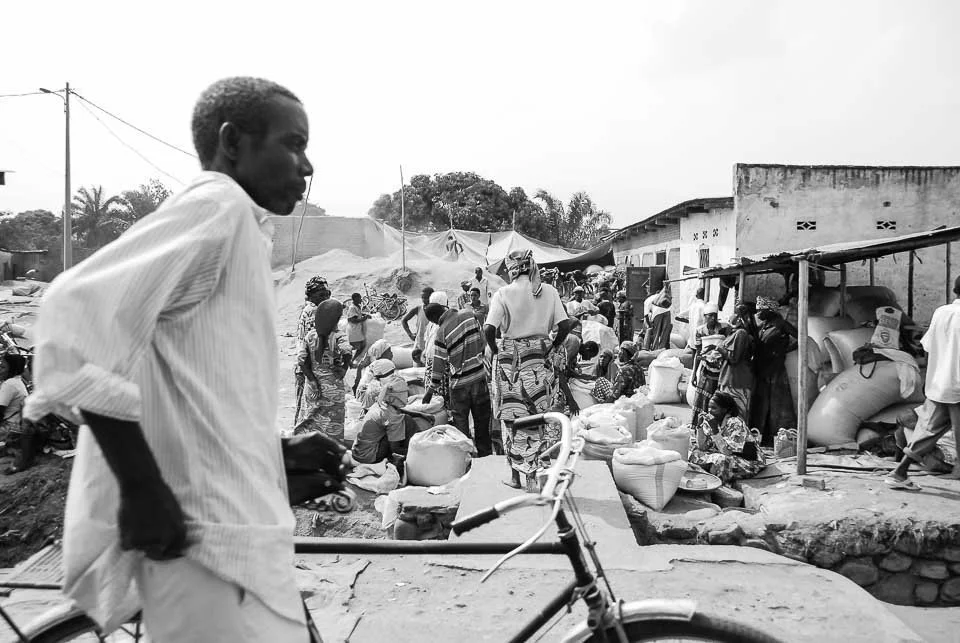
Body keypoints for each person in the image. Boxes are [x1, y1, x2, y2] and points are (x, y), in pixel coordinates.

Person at [22, 77, 346, 641]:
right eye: (293, 144)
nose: (308, 164)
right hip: (203, 541)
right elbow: (72, 314)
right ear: (233, 141)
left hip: (237, 532)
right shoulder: (215, 208)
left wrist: (270, 452)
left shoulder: (244, 230)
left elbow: (193, 389)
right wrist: (142, 489)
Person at [484, 249, 576, 490]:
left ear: (511, 270)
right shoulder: (549, 291)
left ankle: (515, 477)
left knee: (512, 418)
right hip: (539, 359)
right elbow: (565, 325)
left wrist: (495, 350)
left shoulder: (502, 293)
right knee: (538, 418)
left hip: (510, 362)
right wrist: (553, 345)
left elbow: (488, 330)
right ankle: (534, 474)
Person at [886, 276, 960, 489]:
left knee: (928, 429)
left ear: (954, 290)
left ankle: (899, 471)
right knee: (934, 430)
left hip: (940, 384)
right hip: (956, 385)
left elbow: (927, 348)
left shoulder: (941, 312)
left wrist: (929, 378)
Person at [422, 302, 492, 456]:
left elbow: (438, 364)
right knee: (482, 420)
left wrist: (430, 390)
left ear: (434, 319)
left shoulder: (441, 333)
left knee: (461, 424)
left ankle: (466, 457)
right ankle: (485, 455)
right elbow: (482, 341)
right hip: (479, 377)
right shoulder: (469, 315)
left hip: (459, 384)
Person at [295, 299, 353, 442]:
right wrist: (344, 368)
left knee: (311, 419)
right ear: (337, 319)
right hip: (333, 387)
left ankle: (305, 447)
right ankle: (330, 452)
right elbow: (347, 351)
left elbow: (301, 361)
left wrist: (313, 381)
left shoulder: (310, 336)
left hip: (312, 387)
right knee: (333, 423)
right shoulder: (338, 335)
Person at [750, 295, 798, 445]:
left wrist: (783, 350)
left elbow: (799, 337)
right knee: (762, 403)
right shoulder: (764, 325)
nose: (758, 313)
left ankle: (781, 438)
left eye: (761, 310)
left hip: (775, 369)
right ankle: (762, 436)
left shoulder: (781, 324)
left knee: (777, 404)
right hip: (762, 368)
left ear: (769, 310)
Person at [690, 391, 765, 484]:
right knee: (695, 453)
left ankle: (715, 484)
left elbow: (726, 452)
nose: (709, 410)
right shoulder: (712, 421)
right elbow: (703, 447)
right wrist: (699, 426)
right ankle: (708, 475)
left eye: (714, 408)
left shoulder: (735, 422)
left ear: (724, 410)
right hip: (726, 454)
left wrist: (715, 430)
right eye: (709, 407)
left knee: (720, 461)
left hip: (748, 460)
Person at [351, 374, 410, 465]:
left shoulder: (380, 403)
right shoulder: (392, 417)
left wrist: (420, 414)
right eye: (405, 395)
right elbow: (395, 449)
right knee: (405, 423)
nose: (407, 398)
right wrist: (414, 451)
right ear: (397, 397)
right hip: (369, 456)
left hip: (357, 452)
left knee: (403, 420)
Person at [294, 276, 328, 420]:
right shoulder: (314, 311)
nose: (326, 297)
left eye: (327, 293)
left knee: (303, 408)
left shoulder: (308, 309)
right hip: (308, 367)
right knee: (310, 411)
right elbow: (313, 344)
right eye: (321, 294)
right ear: (311, 296)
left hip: (303, 366)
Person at [714, 312, 755, 419]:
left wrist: (719, 349)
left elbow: (734, 358)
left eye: (737, 314)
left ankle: (737, 435)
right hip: (729, 379)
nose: (733, 315)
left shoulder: (741, 333)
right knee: (727, 414)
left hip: (736, 380)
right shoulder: (734, 333)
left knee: (737, 414)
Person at [0, 353, 30, 475]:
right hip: (18, 425)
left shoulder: (9, 384)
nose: (0, 370)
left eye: (3, 367)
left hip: (9, 427)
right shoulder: (19, 382)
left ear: (12, 368)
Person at [401, 286, 434, 353]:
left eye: (426, 298)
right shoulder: (418, 309)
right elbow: (404, 320)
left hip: (432, 345)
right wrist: (410, 334)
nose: (424, 300)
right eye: (422, 297)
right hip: (419, 345)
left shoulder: (437, 310)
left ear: (432, 297)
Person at [643, 284, 673, 350]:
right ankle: (663, 348)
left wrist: (649, 326)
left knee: (656, 333)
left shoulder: (647, 301)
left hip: (657, 313)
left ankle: (655, 349)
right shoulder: (661, 297)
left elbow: (646, 316)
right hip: (667, 311)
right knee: (665, 332)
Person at [345, 292, 370, 366]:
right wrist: (364, 319)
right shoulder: (352, 307)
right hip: (353, 330)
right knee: (356, 346)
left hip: (357, 330)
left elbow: (357, 315)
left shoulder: (357, 306)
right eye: (359, 298)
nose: (361, 299)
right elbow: (352, 320)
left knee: (361, 345)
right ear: (355, 299)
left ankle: (351, 360)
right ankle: (348, 361)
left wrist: (364, 315)